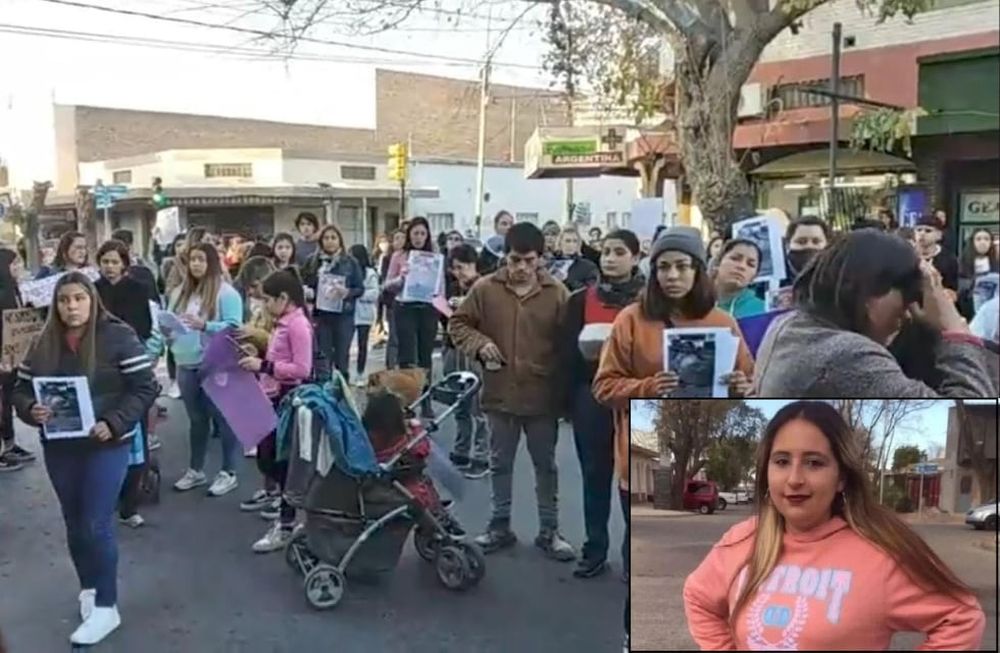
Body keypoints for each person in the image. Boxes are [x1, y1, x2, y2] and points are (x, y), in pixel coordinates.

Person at [682, 401, 986, 650]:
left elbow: (962, 618)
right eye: (782, 461)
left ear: (841, 477)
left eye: (814, 463)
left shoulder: (880, 555)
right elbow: (698, 597)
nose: (795, 479)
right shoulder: (743, 539)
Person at [11, 271, 158, 645]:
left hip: (108, 443)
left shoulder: (118, 335)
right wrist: (31, 410)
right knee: (75, 522)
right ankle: (90, 588)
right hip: (61, 445)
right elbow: (21, 390)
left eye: (78, 298)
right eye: (64, 300)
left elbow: (145, 386)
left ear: (91, 300)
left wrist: (114, 421)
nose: (71, 307)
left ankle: (108, 607)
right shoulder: (43, 342)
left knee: (96, 521)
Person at [448, 222, 576, 560]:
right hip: (499, 392)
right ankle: (498, 525)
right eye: (515, 260)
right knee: (499, 463)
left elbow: (569, 344)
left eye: (529, 261)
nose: (521, 268)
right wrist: (480, 344)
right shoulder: (486, 289)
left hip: (542, 395)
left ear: (541, 260)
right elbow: (458, 324)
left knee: (545, 466)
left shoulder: (557, 293)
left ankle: (550, 530)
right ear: (505, 256)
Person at [754, 229, 995, 397]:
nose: (908, 314)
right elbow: (970, 411)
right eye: (908, 296)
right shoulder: (845, 356)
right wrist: (954, 329)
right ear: (872, 289)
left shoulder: (788, 325)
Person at [561, 229, 643, 580]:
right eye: (606, 251)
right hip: (592, 399)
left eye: (619, 251)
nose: (610, 258)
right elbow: (564, 354)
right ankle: (594, 549)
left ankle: (633, 555)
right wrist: (569, 402)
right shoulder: (581, 300)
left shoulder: (652, 301)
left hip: (639, 400)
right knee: (594, 477)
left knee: (635, 483)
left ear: (636, 258)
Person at [239, 270, 313, 552]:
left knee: (279, 462)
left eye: (268, 300)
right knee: (268, 459)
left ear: (284, 298)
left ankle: (287, 521)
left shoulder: (298, 325)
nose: (265, 306)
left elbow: (302, 369)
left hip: (286, 398)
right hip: (270, 394)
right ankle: (287, 513)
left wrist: (265, 367)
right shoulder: (283, 323)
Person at [167, 243, 244, 496]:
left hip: (216, 362)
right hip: (185, 362)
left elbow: (234, 328)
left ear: (211, 262)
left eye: (201, 259)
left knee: (222, 419)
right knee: (197, 419)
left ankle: (228, 472)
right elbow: (170, 320)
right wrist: (166, 333)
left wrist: (205, 325)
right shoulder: (179, 293)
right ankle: (196, 470)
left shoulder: (227, 293)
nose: (196, 264)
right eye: (192, 260)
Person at [95, 240, 163, 526]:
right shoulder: (93, 290)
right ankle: (105, 500)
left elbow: (145, 328)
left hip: (131, 369)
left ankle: (130, 504)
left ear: (124, 263)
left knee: (135, 442)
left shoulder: (137, 289)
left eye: (114, 261)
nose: (109, 267)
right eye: (105, 261)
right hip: (100, 374)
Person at [441, 244, 490, 480]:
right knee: (458, 403)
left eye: (464, 267)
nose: (460, 272)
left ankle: (482, 455)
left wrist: (466, 307)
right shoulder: (451, 287)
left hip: (474, 349)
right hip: (452, 347)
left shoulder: (483, 287)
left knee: (478, 405)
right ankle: (461, 450)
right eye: (456, 268)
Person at [385, 217, 440, 414]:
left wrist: (441, 303)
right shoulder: (399, 255)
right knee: (406, 356)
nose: (418, 237)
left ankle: (426, 400)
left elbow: (440, 287)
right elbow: (387, 284)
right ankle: (408, 401)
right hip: (405, 307)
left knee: (426, 356)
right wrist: (402, 278)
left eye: (422, 233)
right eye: (415, 233)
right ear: (409, 235)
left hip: (427, 309)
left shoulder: (434, 257)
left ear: (427, 236)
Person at [300, 225, 363, 380]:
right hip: (321, 316)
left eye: (333, 238)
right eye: (326, 238)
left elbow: (360, 288)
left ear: (340, 240)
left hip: (344, 316)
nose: (330, 242)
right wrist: (309, 292)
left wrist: (347, 292)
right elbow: (304, 283)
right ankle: (325, 394)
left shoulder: (350, 262)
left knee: (342, 359)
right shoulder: (313, 261)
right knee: (323, 359)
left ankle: (343, 394)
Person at [0, 249, 33, 472]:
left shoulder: (15, 290)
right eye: (14, 264)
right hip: (3, 357)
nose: (18, 268)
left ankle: (10, 445)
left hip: (13, 356)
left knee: (8, 400)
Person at [349, 244, 379, 387]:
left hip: (364, 314)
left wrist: (359, 294)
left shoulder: (370, 272)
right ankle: (347, 373)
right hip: (349, 313)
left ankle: (360, 373)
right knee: (347, 345)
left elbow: (374, 293)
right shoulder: (348, 271)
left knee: (362, 345)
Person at [714, 239, 766, 318]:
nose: (742, 266)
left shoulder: (763, 311)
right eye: (735, 259)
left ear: (754, 277)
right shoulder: (694, 301)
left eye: (751, 264)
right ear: (718, 263)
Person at [381, 228, 407, 367]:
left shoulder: (411, 256)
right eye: (397, 238)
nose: (400, 241)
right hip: (392, 301)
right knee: (394, 338)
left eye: (403, 238)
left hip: (408, 302)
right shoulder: (388, 258)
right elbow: (386, 281)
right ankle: (390, 366)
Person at [915, 214, 959, 293]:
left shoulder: (949, 259)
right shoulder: (907, 255)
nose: (922, 234)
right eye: (918, 230)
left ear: (939, 235)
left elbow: (952, 290)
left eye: (928, 231)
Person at [549, 227, 599, 293]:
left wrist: (568, 281)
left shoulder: (588, 267)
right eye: (568, 241)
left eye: (575, 241)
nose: (571, 245)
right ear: (560, 243)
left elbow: (591, 291)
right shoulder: (549, 264)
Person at [784, 216, 831, 283]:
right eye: (801, 242)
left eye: (816, 241)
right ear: (788, 245)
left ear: (827, 244)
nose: (809, 246)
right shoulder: (775, 281)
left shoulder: (838, 278)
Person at [477, 210, 514, 275]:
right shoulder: (492, 244)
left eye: (511, 224)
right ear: (496, 227)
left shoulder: (515, 245)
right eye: (504, 224)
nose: (509, 227)